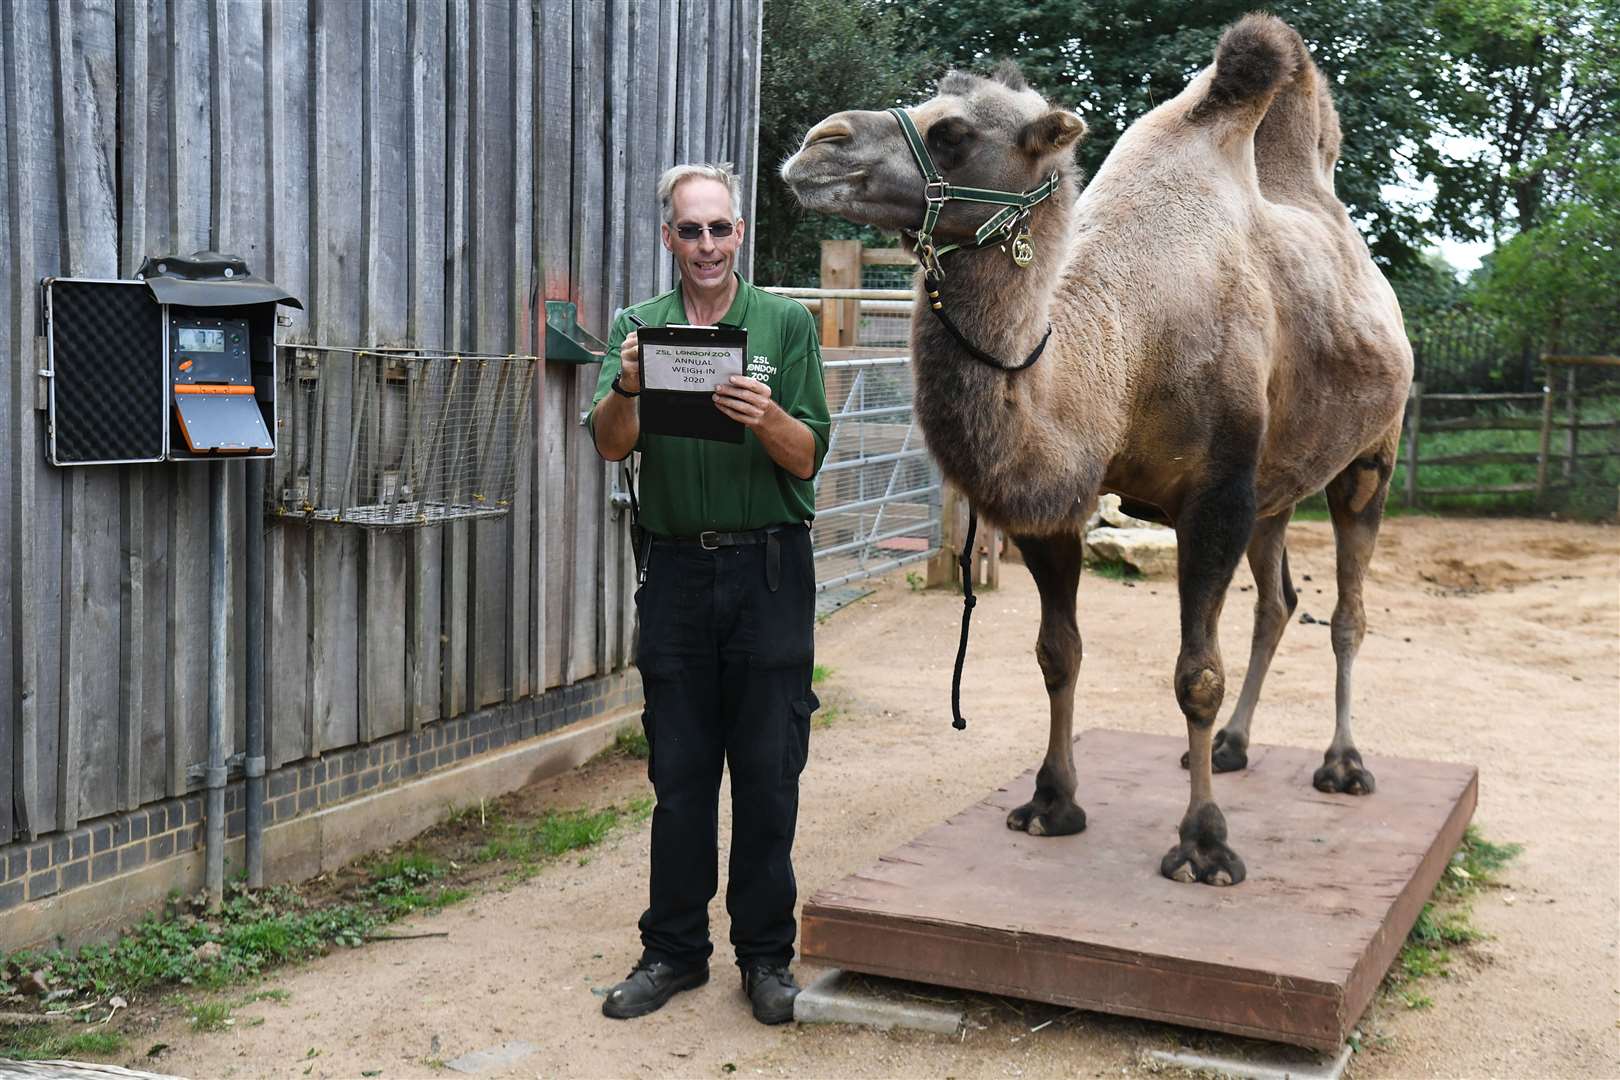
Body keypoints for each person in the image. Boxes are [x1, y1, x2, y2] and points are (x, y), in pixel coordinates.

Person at [588, 162, 830, 1025]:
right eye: (690, 231)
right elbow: (611, 448)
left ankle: (766, 957)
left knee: (768, 772)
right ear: (668, 239)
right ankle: (674, 951)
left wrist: (764, 415)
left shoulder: (786, 323)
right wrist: (627, 385)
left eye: (720, 228)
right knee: (680, 772)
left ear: (739, 234)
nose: (707, 245)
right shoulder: (639, 329)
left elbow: (807, 458)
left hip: (769, 570)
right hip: (677, 571)